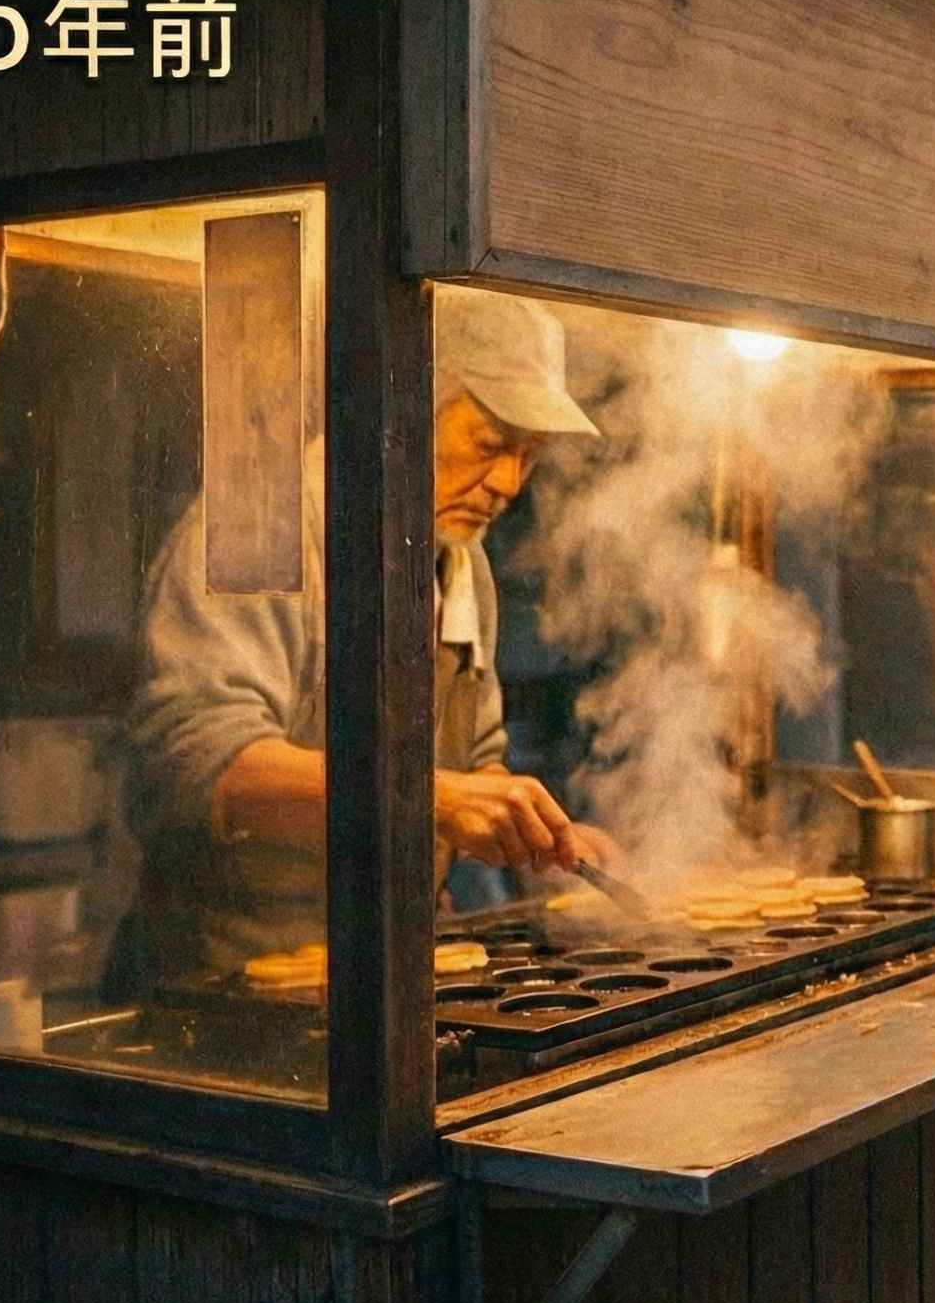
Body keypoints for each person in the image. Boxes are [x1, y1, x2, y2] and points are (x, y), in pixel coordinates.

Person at [109, 288, 608, 991]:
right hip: (228, 981)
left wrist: (538, 832)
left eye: (529, 456)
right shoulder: (265, 531)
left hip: (392, 974)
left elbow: (473, 761)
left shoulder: (461, 560)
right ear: (410, 403)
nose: (507, 483)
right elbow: (195, 761)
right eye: (491, 443)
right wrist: (433, 798)